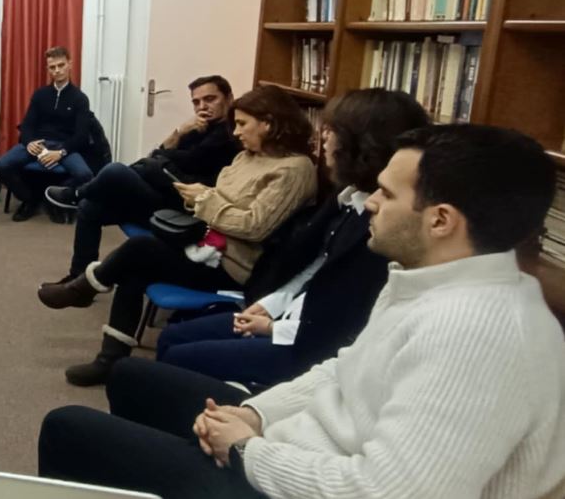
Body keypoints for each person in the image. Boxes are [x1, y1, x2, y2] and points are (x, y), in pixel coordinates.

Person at [38, 124, 565, 499]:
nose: (370, 202)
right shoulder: (425, 280)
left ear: (441, 220)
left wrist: (246, 451)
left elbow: (386, 492)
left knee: (69, 428)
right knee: (133, 378)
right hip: (299, 447)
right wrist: (255, 414)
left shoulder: (479, 332)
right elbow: (342, 372)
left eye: (387, 193)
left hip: (305, 479)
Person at [38, 85, 317, 386]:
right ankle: (109, 357)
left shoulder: (295, 170)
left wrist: (204, 199)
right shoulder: (246, 157)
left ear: (269, 124)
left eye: (242, 124)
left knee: (138, 250)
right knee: (135, 261)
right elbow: (221, 198)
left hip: (235, 266)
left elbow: (254, 225)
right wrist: (201, 195)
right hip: (207, 245)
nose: (236, 132)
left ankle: (87, 290)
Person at [156, 89, 430, 387]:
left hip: (306, 346)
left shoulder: (381, 227)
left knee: (177, 357)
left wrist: (275, 327)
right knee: (172, 337)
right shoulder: (347, 199)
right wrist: (272, 305)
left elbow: (344, 323)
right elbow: (314, 267)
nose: (324, 138)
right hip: (284, 313)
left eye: (333, 131)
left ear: (362, 144)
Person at [41, 75, 240, 285]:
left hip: (186, 211)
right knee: (90, 208)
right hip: (164, 195)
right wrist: (180, 132)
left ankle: (75, 194)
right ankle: (78, 279)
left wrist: (159, 163)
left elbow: (186, 161)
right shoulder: (199, 127)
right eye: (196, 102)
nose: (202, 107)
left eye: (210, 99)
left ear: (229, 98)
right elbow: (161, 152)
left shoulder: (230, 134)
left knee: (117, 171)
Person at [0, 46, 93, 222]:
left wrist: (61, 152)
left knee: (85, 175)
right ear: (48, 69)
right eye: (52, 67)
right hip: (38, 144)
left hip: (64, 146)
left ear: (70, 65)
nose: (57, 70)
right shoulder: (40, 95)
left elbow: (82, 135)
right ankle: (29, 199)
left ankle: (55, 198)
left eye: (61, 65)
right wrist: (29, 142)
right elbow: (27, 125)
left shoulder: (80, 98)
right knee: (0, 166)